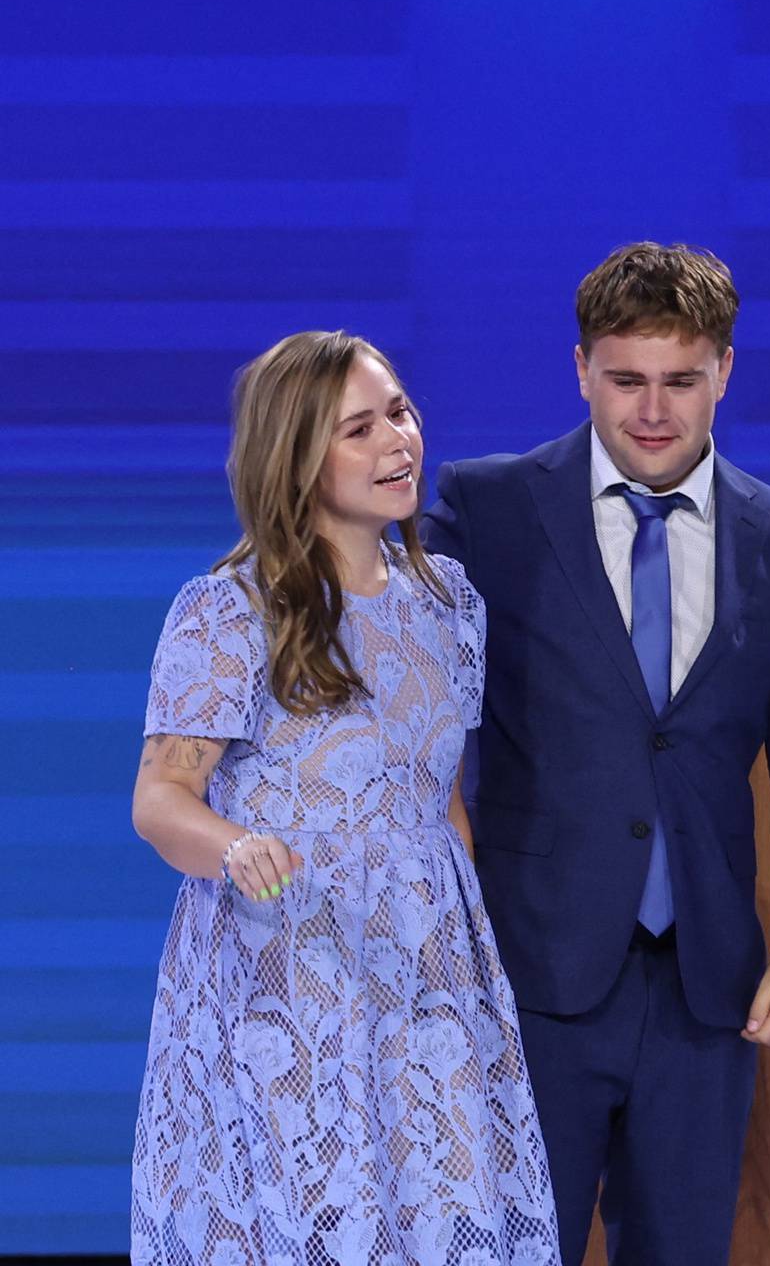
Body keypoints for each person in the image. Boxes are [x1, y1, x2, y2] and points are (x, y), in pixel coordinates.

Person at [419, 242, 770, 1266]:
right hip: (528, 969)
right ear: (581, 369)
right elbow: (402, 681)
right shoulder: (487, 510)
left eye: (681, 380)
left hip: (705, 988)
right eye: (626, 380)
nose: (652, 410)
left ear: (725, 372)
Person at [129, 331, 561, 1265]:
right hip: (285, 974)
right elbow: (162, 797)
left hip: (425, 971)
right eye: (358, 430)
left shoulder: (450, 602)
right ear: (297, 458)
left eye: (399, 413)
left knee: (440, 1220)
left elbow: (440, 797)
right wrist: (235, 846)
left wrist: (462, 949)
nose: (397, 442)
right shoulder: (230, 608)